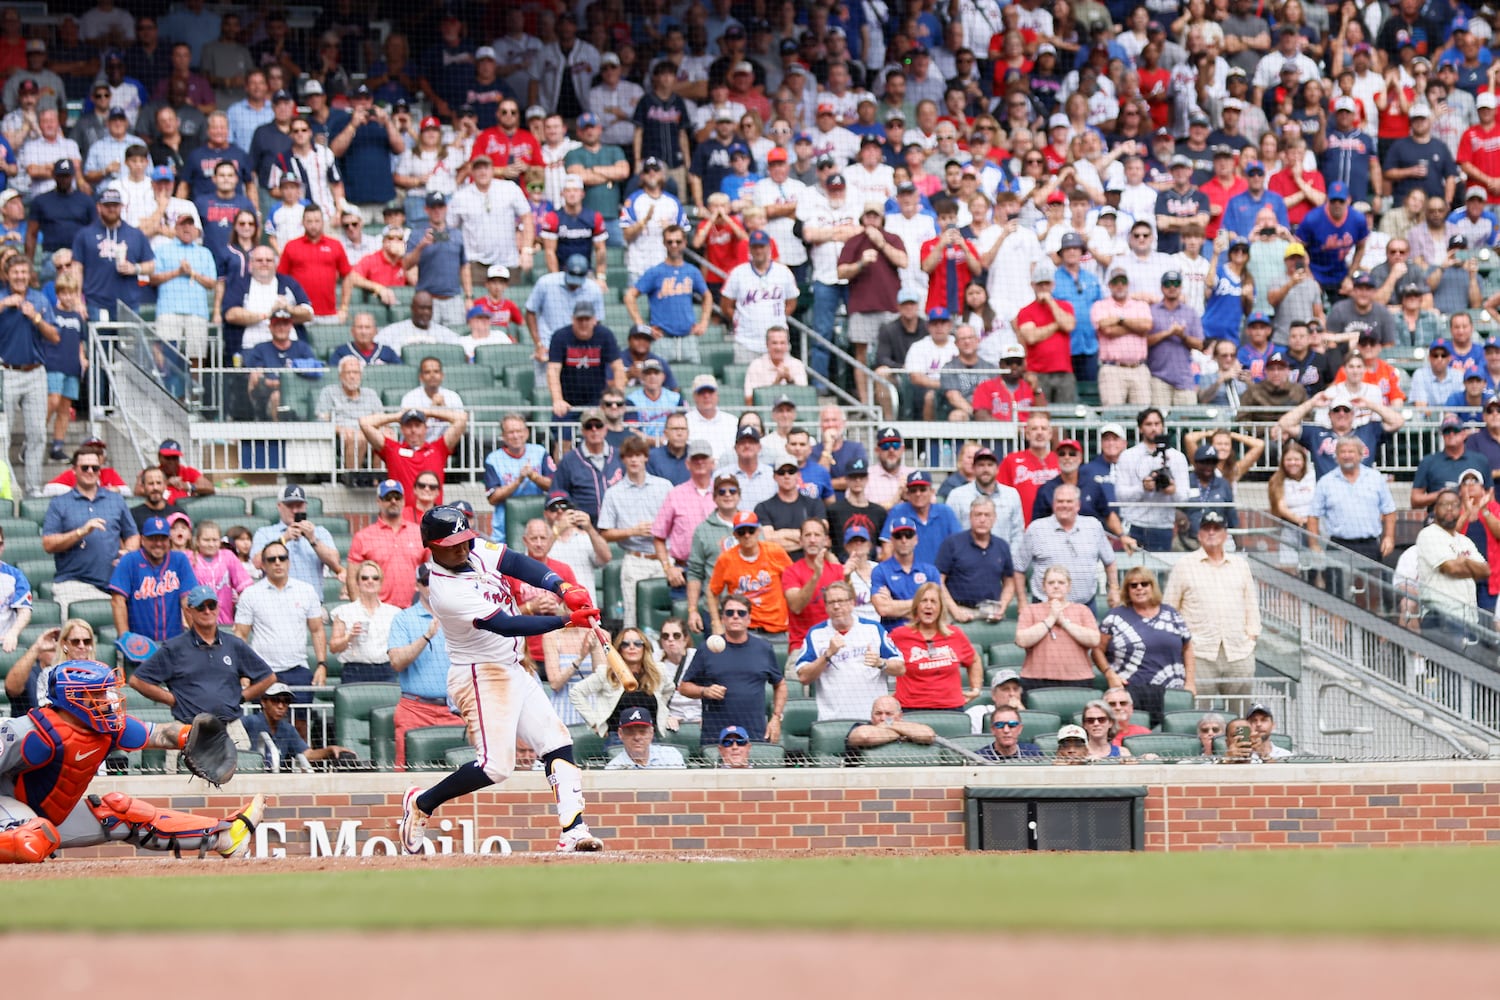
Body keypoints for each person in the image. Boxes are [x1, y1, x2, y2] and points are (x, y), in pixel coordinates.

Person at [398, 506, 606, 854]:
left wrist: (561, 585)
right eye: (453, 544)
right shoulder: (446, 592)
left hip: (510, 665)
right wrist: (567, 620)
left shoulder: (473, 548)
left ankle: (574, 830)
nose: (464, 548)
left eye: (465, 540)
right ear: (432, 546)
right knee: (495, 767)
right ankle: (422, 803)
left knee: (556, 740)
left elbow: (516, 563)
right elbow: (505, 624)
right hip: (480, 672)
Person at [0, 659, 265, 864]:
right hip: (11, 811)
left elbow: (159, 734)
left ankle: (226, 837)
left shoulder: (107, 728)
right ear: (74, 699)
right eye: (99, 694)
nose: (108, 701)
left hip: (48, 819)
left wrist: (186, 736)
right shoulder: (30, 732)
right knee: (30, 839)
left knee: (119, 812)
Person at [1163, 511, 1260, 713]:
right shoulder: (1184, 565)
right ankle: (1201, 746)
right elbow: (1170, 610)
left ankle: (1241, 744)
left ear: (1226, 534)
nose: (1212, 533)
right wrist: (1182, 646)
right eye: (1207, 528)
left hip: (1239, 651)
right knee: (1199, 715)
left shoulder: (1241, 565)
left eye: (1217, 529)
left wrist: (1251, 637)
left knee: (1240, 715)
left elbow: (1251, 604)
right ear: (1199, 534)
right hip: (1199, 653)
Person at [233, 534, 326, 716]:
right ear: (264, 564)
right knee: (262, 725)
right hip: (261, 672)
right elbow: (240, 636)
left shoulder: (306, 590)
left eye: (282, 558)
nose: (278, 562)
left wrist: (322, 664)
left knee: (300, 724)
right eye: (271, 559)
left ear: (288, 562)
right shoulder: (251, 594)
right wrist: (243, 672)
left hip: (297, 669)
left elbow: (317, 630)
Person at [44, 449, 139, 619]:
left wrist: (129, 552)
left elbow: (132, 535)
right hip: (73, 585)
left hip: (114, 585)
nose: (90, 471)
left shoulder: (115, 500)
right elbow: (48, 543)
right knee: (76, 641)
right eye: (85, 467)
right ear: (74, 470)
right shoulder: (59, 503)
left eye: (95, 468)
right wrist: (81, 532)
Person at [678, 593, 786, 744]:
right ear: (723, 618)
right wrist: (705, 691)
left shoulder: (763, 648)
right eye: (730, 613)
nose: (735, 616)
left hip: (754, 734)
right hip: (716, 736)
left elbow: (780, 684)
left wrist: (776, 717)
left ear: (749, 618)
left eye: (741, 613)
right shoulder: (706, 649)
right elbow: (683, 687)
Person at [1100, 566, 1195, 727]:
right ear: (1127, 589)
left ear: (1152, 586)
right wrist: (1110, 674)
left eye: (1144, 584)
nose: (1139, 588)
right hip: (1131, 690)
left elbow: (1187, 647)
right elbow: (1097, 649)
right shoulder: (1114, 617)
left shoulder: (1171, 614)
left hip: (1172, 691)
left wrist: (1190, 682)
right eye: (1133, 585)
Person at [795, 580, 903, 721]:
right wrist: (827, 655)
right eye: (831, 602)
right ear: (826, 607)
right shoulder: (816, 633)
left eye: (841, 601)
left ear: (852, 603)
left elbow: (900, 668)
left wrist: (880, 662)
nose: (836, 606)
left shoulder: (873, 629)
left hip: (872, 719)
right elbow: (803, 677)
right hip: (832, 720)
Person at [385, 564, 460, 770]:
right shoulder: (403, 618)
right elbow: (396, 662)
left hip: (454, 710)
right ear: (417, 585)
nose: (432, 586)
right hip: (415, 709)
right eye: (427, 581)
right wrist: (426, 636)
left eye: (437, 580)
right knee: (407, 772)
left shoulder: (457, 617)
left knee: (462, 771)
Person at [0, 256, 60, 500]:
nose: (20, 277)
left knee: (37, 433)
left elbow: (55, 336)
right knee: (2, 435)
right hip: (6, 372)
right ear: (7, 275)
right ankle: (7, 489)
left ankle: (33, 489)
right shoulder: (2, 297)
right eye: (15, 273)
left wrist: (35, 316)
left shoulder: (39, 299)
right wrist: (4, 305)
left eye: (24, 272)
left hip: (35, 373)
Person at [108, 514, 196, 661]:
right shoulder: (129, 561)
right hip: (139, 647)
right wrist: (125, 637)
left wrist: (197, 635)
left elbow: (188, 602)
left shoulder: (179, 560)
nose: (158, 543)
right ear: (142, 540)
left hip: (174, 645)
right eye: (153, 538)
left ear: (169, 539)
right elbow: (117, 601)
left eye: (162, 539)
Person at [571, 625, 676, 740]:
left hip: (650, 737)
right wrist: (594, 722)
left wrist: (663, 712)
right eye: (625, 644)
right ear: (619, 649)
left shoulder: (658, 671)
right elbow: (576, 692)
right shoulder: (606, 673)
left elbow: (669, 689)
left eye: (637, 643)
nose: (632, 647)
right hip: (617, 738)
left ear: (644, 647)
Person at [888, 581, 981, 711]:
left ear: (941, 607)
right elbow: (880, 660)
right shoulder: (899, 635)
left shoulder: (955, 634)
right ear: (916, 606)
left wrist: (976, 688)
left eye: (933, 601)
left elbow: (974, 660)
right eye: (924, 601)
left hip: (951, 709)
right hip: (911, 708)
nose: (928, 606)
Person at [1415, 489, 1489, 653]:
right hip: (1440, 617)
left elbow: (1485, 571)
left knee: (1468, 673)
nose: (1449, 509)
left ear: (1460, 509)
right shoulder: (1429, 534)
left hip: (1468, 619)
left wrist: (1464, 561)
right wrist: (1468, 566)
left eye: (1454, 505)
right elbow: (1451, 568)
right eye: (1444, 505)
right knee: (1447, 675)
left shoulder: (1465, 541)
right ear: (1435, 509)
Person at [358, 407, 467, 512]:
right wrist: (397, 416)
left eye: (417, 425)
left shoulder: (438, 449)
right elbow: (364, 423)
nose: (413, 430)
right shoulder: (392, 450)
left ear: (425, 428)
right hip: (402, 518)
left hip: (432, 517)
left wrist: (428, 412)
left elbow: (462, 419)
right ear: (402, 429)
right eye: (408, 426)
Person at [1114, 407, 1192, 551]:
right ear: (1140, 428)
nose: (1153, 428)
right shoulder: (1128, 456)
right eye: (1148, 424)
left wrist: (1172, 490)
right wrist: (1142, 488)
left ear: (1163, 426)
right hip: (1134, 525)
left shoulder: (1177, 457)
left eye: (1157, 424)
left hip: (1162, 526)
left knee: (1159, 572)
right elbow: (1120, 495)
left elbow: (1184, 497)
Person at [1014, 565, 1102, 692]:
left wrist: (1064, 623)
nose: (1056, 586)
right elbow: (1022, 640)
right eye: (1051, 582)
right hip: (1036, 679)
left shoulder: (1082, 610)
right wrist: (1050, 619)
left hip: (1078, 679)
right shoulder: (1030, 610)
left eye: (1061, 582)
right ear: (1044, 586)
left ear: (1068, 586)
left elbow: (1094, 640)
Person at [707, 511, 792, 636]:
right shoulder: (726, 559)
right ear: (735, 534)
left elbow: (794, 581)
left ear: (758, 531)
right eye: (741, 532)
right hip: (743, 630)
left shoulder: (775, 551)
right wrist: (716, 623)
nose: (747, 535)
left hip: (777, 628)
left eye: (751, 530)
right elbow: (712, 591)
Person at [248, 484, 341, 591]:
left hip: (311, 602)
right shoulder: (264, 533)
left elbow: (335, 563)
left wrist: (313, 540)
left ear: (305, 506)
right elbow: (257, 563)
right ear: (279, 506)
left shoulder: (320, 532)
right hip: (275, 601)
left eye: (299, 506)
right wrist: (283, 539)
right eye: (290, 506)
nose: (295, 511)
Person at [483, 413, 555, 544]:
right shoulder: (493, 459)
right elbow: (493, 498)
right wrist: (519, 480)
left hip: (538, 527)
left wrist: (533, 476)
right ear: (503, 436)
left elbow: (554, 485)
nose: (516, 436)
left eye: (519, 431)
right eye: (510, 432)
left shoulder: (539, 452)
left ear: (526, 432)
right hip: (503, 530)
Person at [328, 560, 400, 685]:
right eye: (365, 578)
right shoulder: (344, 612)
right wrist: (349, 636)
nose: (370, 581)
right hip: (354, 672)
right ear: (358, 583)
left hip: (385, 671)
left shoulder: (394, 613)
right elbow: (333, 647)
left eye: (375, 578)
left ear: (381, 582)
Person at [186, 519, 249, 625]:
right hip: (197, 621)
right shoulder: (189, 558)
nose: (211, 544)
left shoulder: (228, 556)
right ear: (197, 541)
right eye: (206, 540)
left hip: (225, 621)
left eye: (215, 540)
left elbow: (245, 589)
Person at [845, 694, 937, 751]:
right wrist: (900, 734)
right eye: (878, 713)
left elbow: (928, 735)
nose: (883, 718)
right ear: (871, 715)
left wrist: (890, 725)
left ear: (900, 716)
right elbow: (864, 736)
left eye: (889, 714)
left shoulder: (906, 726)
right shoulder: (860, 727)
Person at [604, 706, 686, 769]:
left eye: (642, 732)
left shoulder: (671, 756)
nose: (637, 737)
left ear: (651, 733)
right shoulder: (613, 768)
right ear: (620, 734)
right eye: (630, 732)